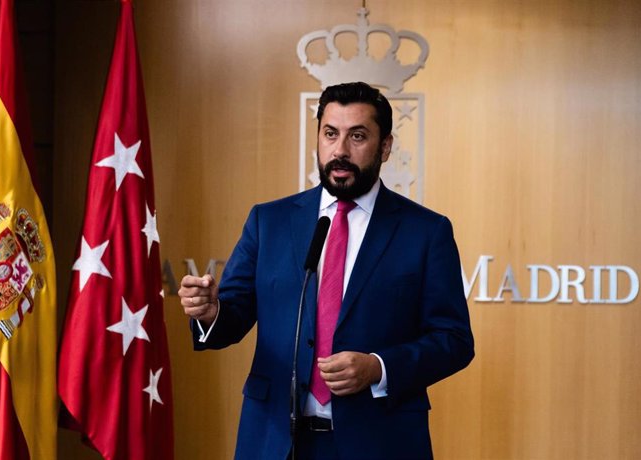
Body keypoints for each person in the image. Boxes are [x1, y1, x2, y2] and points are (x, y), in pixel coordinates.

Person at [179, 81, 474, 459]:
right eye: (330, 134)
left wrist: (378, 368)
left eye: (358, 136)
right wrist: (210, 313)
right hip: (275, 442)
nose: (340, 151)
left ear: (385, 146)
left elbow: (453, 340)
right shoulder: (269, 221)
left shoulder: (426, 232)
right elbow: (232, 316)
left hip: (382, 442)